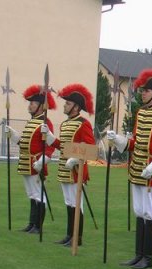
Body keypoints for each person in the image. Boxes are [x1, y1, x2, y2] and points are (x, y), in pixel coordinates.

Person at [107, 69, 152, 269]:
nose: (142, 93)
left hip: (151, 173)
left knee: (149, 213)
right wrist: (119, 141)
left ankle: (148, 257)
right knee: (139, 212)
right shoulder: (141, 112)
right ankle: (138, 255)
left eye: (146, 90)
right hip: (135, 170)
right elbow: (135, 143)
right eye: (142, 90)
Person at [41, 84, 96, 247]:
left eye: (68, 103)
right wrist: (51, 139)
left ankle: (77, 237)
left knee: (76, 204)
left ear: (76, 107)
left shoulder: (83, 123)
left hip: (76, 170)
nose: (64, 105)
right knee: (69, 203)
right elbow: (63, 146)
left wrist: (76, 157)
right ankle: (69, 234)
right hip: (64, 168)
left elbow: (91, 149)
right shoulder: (65, 124)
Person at [5, 85, 56, 234]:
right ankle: (32, 224)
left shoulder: (45, 122)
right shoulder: (32, 121)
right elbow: (25, 143)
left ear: (41, 105)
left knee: (38, 194)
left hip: (37, 164)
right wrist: (14, 136)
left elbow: (51, 145)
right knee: (32, 194)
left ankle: (38, 226)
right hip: (26, 163)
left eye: (33, 103)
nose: (30, 105)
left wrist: (43, 161)